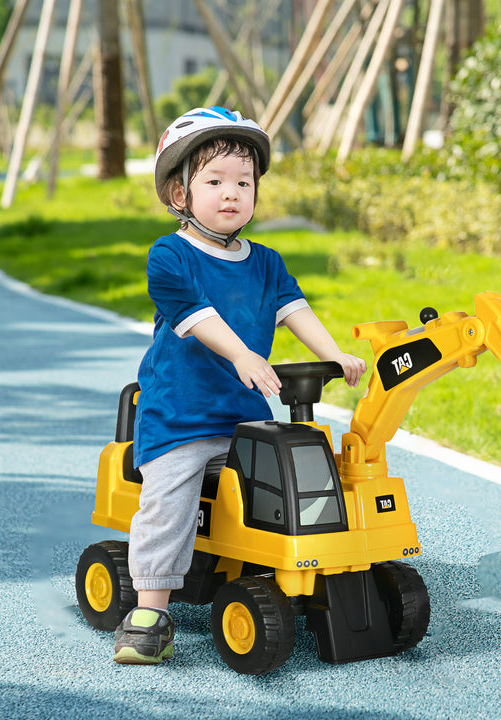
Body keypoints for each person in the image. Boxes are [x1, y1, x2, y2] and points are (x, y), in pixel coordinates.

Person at [113, 106, 366, 665]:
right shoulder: (170, 256)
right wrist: (244, 354)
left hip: (243, 418)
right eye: (214, 181)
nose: (232, 194)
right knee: (170, 499)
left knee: (292, 482)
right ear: (179, 193)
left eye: (243, 183)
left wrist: (332, 354)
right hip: (181, 419)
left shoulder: (267, 262)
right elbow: (197, 317)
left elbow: (294, 308)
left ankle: (294, 570)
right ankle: (150, 609)